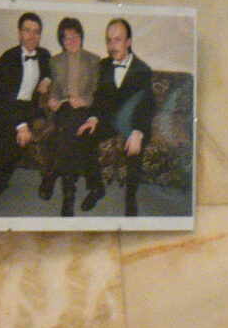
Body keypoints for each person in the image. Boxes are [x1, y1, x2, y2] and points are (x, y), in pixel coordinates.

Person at [0, 11, 50, 210]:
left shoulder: (43, 54)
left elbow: (48, 70)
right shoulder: (8, 58)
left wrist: (47, 79)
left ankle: (2, 179)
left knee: (20, 146)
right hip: (2, 109)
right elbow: (6, 96)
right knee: (9, 147)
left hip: (26, 108)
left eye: (36, 32)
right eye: (27, 31)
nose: (32, 36)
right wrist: (21, 126)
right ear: (19, 33)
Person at [89, 16, 158, 216]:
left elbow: (147, 104)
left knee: (135, 146)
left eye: (117, 40)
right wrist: (93, 118)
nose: (112, 46)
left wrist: (137, 132)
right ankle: (96, 187)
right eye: (109, 40)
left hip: (134, 121)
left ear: (128, 42)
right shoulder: (104, 65)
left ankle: (130, 196)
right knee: (84, 135)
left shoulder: (142, 70)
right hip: (110, 119)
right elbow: (99, 97)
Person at [42, 16, 102, 216]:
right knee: (69, 127)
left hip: (84, 109)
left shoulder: (93, 60)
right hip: (64, 108)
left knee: (68, 133)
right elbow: (55, 88)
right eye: (67, 37)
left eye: (75, 36)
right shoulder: (55, 61)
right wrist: (53, 99)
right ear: (61, 41)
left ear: (81, 37)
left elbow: (96, 90)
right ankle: (68, 186)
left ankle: (63, 186)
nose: (72, 40)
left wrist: (84, 100)